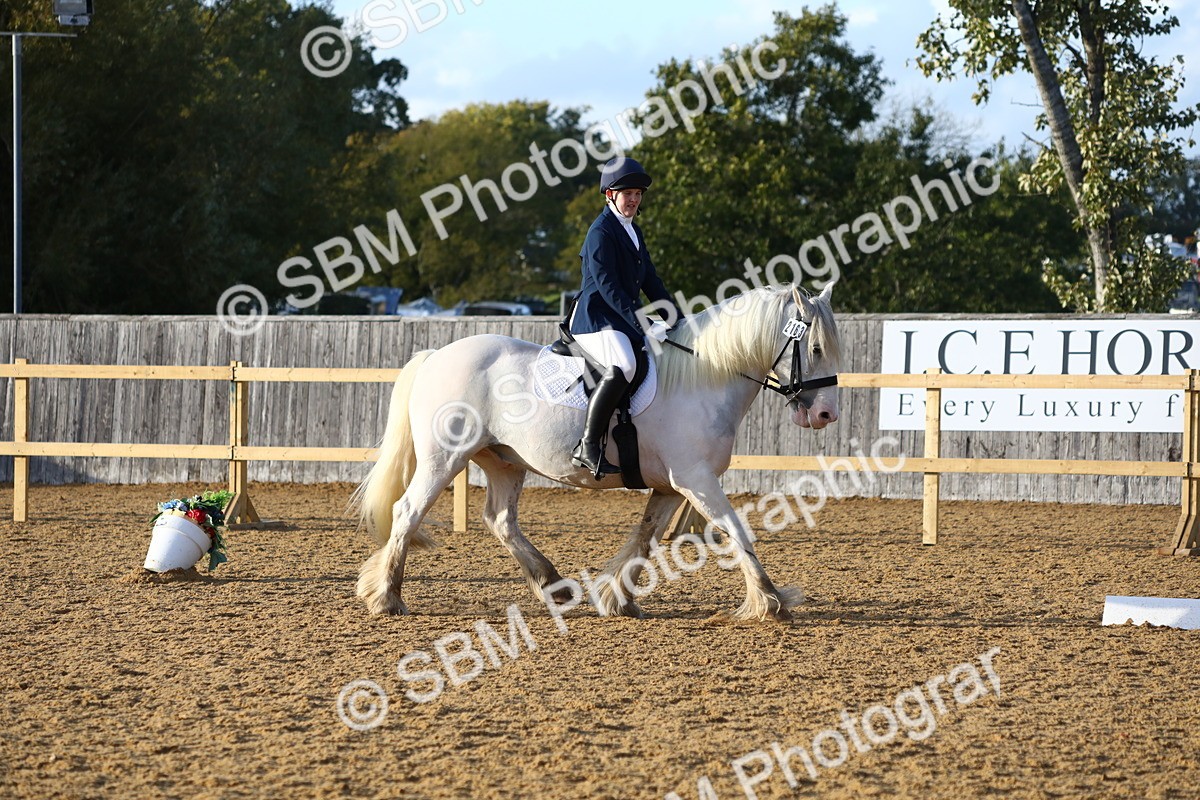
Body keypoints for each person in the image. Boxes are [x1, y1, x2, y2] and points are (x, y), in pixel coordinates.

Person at [568, 156, 683, 478]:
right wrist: (642, 324)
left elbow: (650, 281)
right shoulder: (601, 232)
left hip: (619, 319)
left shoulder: (634, 231)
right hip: (595, 319)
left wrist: (677, 318)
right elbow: (608, 288)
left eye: (637, 193)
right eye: (626, 193)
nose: (633, 199)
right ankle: (588, 446)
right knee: (626, 365)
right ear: (610, 195)